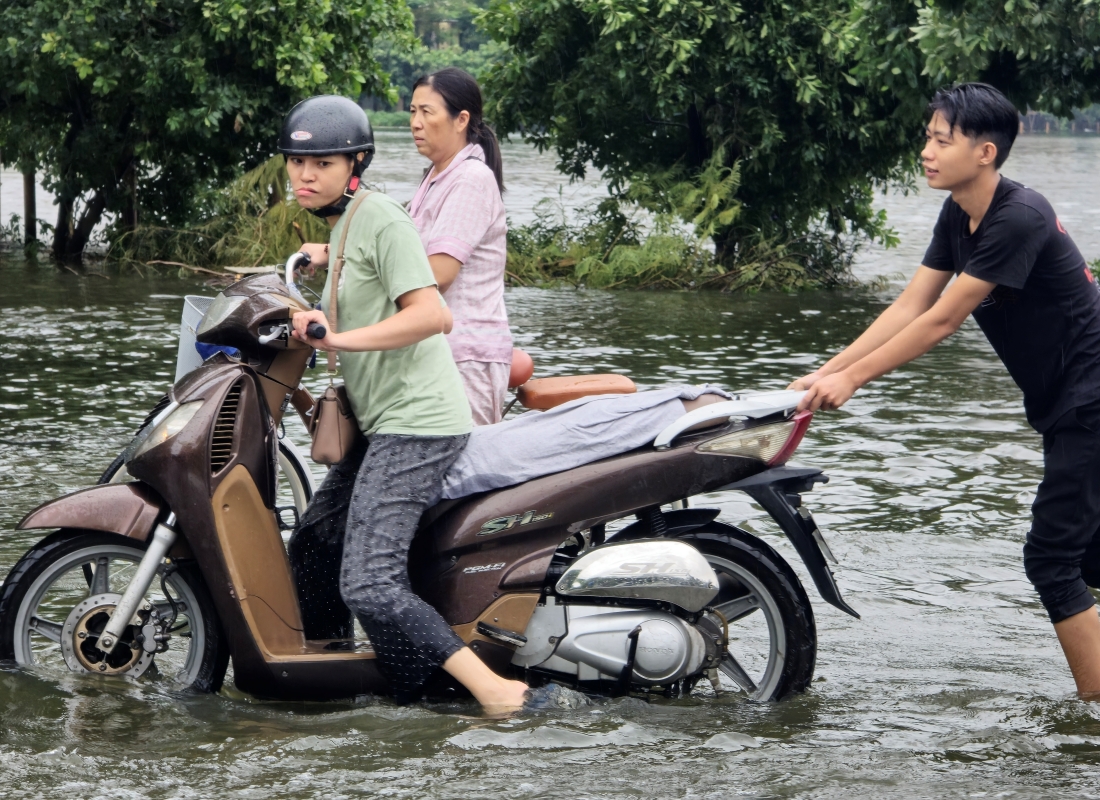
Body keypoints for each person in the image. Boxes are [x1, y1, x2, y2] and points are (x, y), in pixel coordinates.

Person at [789, 82, 1100, 698]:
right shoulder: (960, 211)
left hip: (1090, 402)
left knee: (1052, 559)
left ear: (985, 152)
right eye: (927, 139)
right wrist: (830, 369)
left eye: (941, 140)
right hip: (1068, 405)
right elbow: (911, 302)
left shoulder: (1019, 217)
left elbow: (942, 319)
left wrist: (853, 379)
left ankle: (1094, 717)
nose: (926, 152)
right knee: (1090, 559)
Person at [279, 95, 530, 713]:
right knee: (313, 543)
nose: (305, 175)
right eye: (295, 162)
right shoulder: (345, 224)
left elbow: (432, 313)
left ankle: (493, 691)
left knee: (368, 578)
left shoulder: (382, 218)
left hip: (419, 423)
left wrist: (331, 337)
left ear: (355, 162)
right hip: (379, 419)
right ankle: (341, 681)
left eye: (323, 162)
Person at [407, 67, 512, 425]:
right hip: (436, 350)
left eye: (427, 112)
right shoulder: (436, 177)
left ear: (461, 120)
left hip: (466, 354)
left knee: (465, 474)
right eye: (412, 111)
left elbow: (439, 274)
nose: (416, 123)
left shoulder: (470, 179)